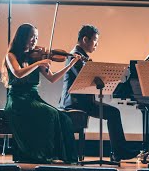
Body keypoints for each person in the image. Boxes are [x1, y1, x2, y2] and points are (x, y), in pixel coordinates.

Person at [0, 23, 82, 164]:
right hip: (18, 101)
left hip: (33, 98)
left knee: (63, 117)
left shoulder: (34, 58)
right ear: (22, 37)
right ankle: (41, 154)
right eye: (31, 36)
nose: (35, 40)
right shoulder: (11, 56)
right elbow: (18, 73)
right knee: (49, 113)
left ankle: (63, 156)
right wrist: (38, 64)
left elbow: (52, 78)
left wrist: (70, 64)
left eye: (36, 37)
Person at [60, 24, 139, 163]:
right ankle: (119, 152)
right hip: (75, 102)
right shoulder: (75, 56)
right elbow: (84, 79)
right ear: (85, 39)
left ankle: (118, 152)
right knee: (113, 113)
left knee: (113, 113)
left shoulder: (82, 56)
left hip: (85, 101)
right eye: (95, 40)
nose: (96, 44)